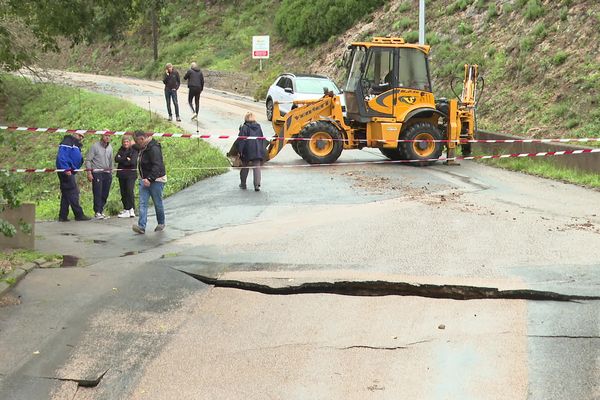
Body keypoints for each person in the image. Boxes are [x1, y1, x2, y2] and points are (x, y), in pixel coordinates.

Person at [132, 130, 167, 234]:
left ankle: (161, 223)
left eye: (137, 142)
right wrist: (133, 145)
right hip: (144, 180)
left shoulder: (154, 148)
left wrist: (150, 179)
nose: (138, 145)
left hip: (156, 180)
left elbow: (157, 165)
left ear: (142, 139)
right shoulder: (144, 147)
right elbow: (137, 147)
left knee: (157, 202)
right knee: (143, 203)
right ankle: (141, 226)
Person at [56, 132, 91, 222]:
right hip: (66, 171)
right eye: (79, 135)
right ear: (74, 134)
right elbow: (62, 156)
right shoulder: (67, 141)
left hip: (70, 170)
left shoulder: (74, 143)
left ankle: (62, 216)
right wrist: (66, 168)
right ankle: (79, 214)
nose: (81, 138)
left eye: (82, 137)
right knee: (73, 192)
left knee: (66, 193)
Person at [85, 133, 113, 219]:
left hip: (107, 173)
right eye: (105, 135)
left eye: (109, 136)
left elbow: (111, 160)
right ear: (101, 136)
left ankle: (101, 210)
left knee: (105, 192)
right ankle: (97, 211)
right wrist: (89, 173)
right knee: (98, 192)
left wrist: (111, 172)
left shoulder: (110, 147)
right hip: (97, 172)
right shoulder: (95, 147)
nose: (107, 137)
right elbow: (88, 160)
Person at [237, 112, 266, 192]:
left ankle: (243, 184)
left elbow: (241, 140)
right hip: (257, 150)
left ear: (245, 119)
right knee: (257, 167)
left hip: (247, 150)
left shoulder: (244, 127)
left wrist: (240, 151)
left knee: (245, 166)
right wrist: (262, 150)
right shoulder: (258, 126)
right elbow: (262, 139)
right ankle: (257, 185)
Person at [114, 135, 138, 218]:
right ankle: (126, 208)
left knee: (129, 191)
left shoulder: (134, 151)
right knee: (123, 192)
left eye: (127, 142)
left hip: (131, 174)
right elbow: (116, 159)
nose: (126, 143)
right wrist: (126, 158)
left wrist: (123, 160)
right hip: (122, 174)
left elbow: (133, 162)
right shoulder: (120, 150)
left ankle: (131, 209)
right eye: (124, 142)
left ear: (130, 142)